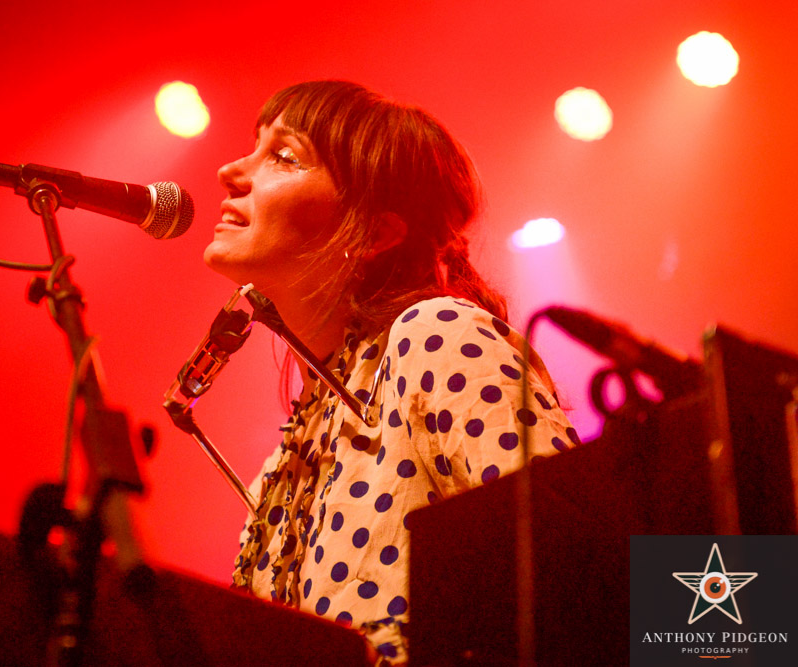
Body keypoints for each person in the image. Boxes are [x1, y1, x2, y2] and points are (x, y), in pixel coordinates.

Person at [202, 80, 578, 665]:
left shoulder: (438, 337)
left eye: (282, 155)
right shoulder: (286, 461)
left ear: (376, 233)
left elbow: (577, 569)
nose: (230, 170)